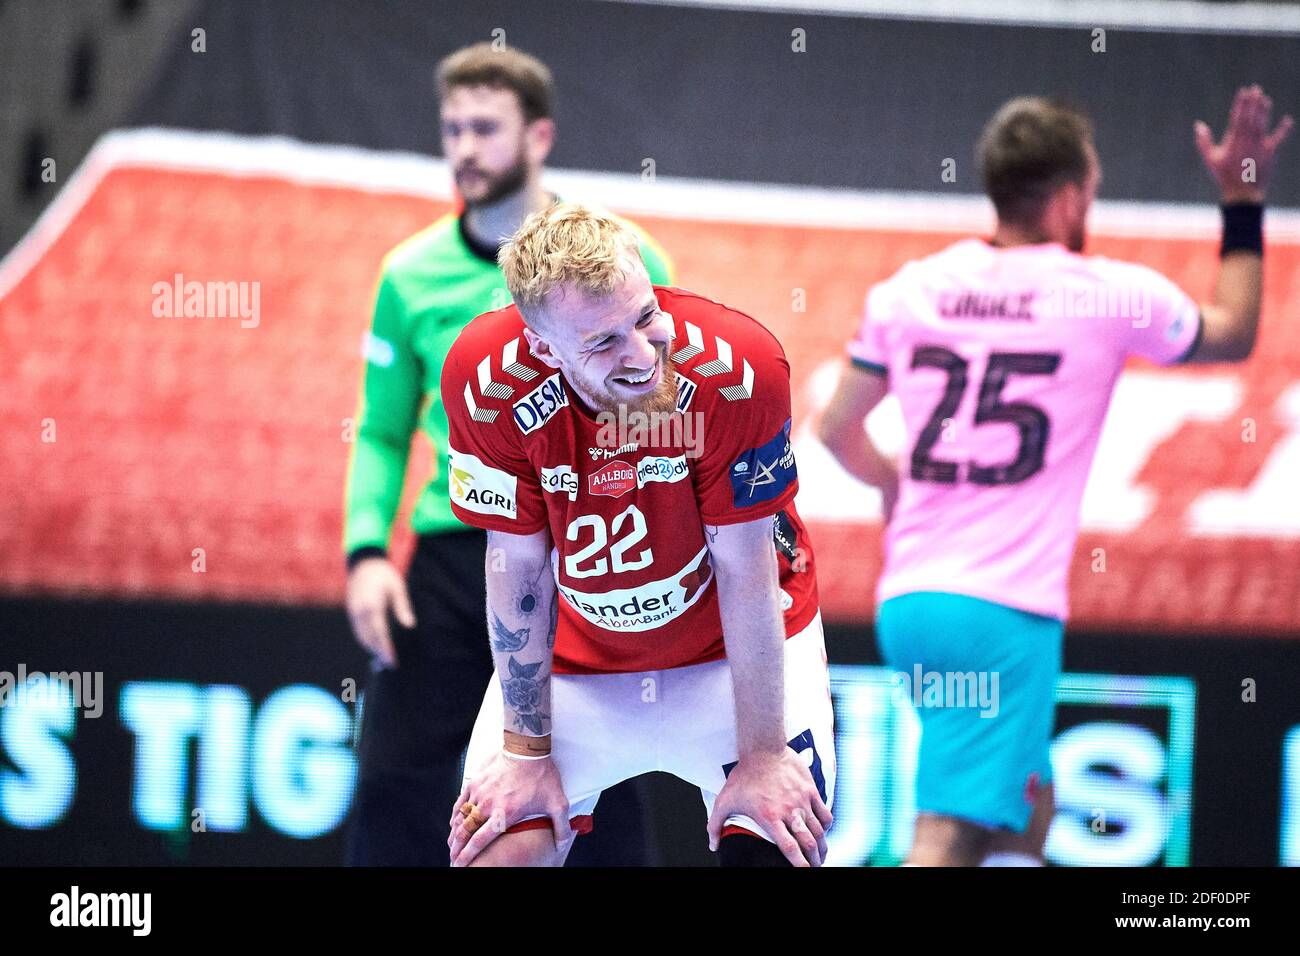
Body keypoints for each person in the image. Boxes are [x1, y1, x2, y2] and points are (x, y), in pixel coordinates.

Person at [817, 87, 1291, 866]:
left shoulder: (910, 291)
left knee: (1026, 807)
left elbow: (836, 429)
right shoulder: (1103, 296)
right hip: (1002, 612)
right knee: (946, 832)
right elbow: (1233, 332)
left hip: (914, 600)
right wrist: (1243, 199)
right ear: (1071, 195)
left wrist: (897, 482)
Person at [343, 43, 674, 866]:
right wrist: (365, 554)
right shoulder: (409, 275)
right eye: (452, 128)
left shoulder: (622, 260)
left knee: (599, 786)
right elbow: (381, 432)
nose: (463, 148)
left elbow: (666, 410)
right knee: (395, 780)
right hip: (454, 556)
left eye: (485, 128)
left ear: (539, 137)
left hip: (581, 553)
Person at [440, 203, 834, 867]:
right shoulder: (485, 384)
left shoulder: (739, 372)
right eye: (601, 343)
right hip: (576, 665)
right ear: (542, 348)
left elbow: (745, 569)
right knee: (491, 857)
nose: (642, 353)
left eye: (645, 315)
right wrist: (524, 754)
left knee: (781, 848)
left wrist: (765, 756)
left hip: (731, 661)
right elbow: (519, 570)